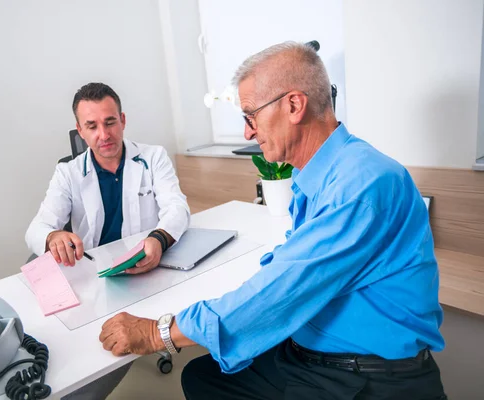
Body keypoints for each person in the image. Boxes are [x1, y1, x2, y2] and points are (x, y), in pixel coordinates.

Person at [98, 42, 448, 400]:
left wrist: (160, 334)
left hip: (364, 376)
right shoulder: (318, 175)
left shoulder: (361, 183)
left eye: (250, 115)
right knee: (204, 377)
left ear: (294, 105)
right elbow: (293, 265)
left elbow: (283, 290)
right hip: (313, 353)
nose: (247, 133)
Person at [26, 82, 190, 399]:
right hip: (92, 273)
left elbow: (177, 208)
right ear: (80, 131)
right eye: (92, 126)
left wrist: (159, 237)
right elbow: (36, 228)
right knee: (67, 347)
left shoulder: (153, 158)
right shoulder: (68, 173)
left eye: (110, 122)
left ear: (123, 120)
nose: (104, 134)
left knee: (99, 363)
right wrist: (53, 236)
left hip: (141, 269)